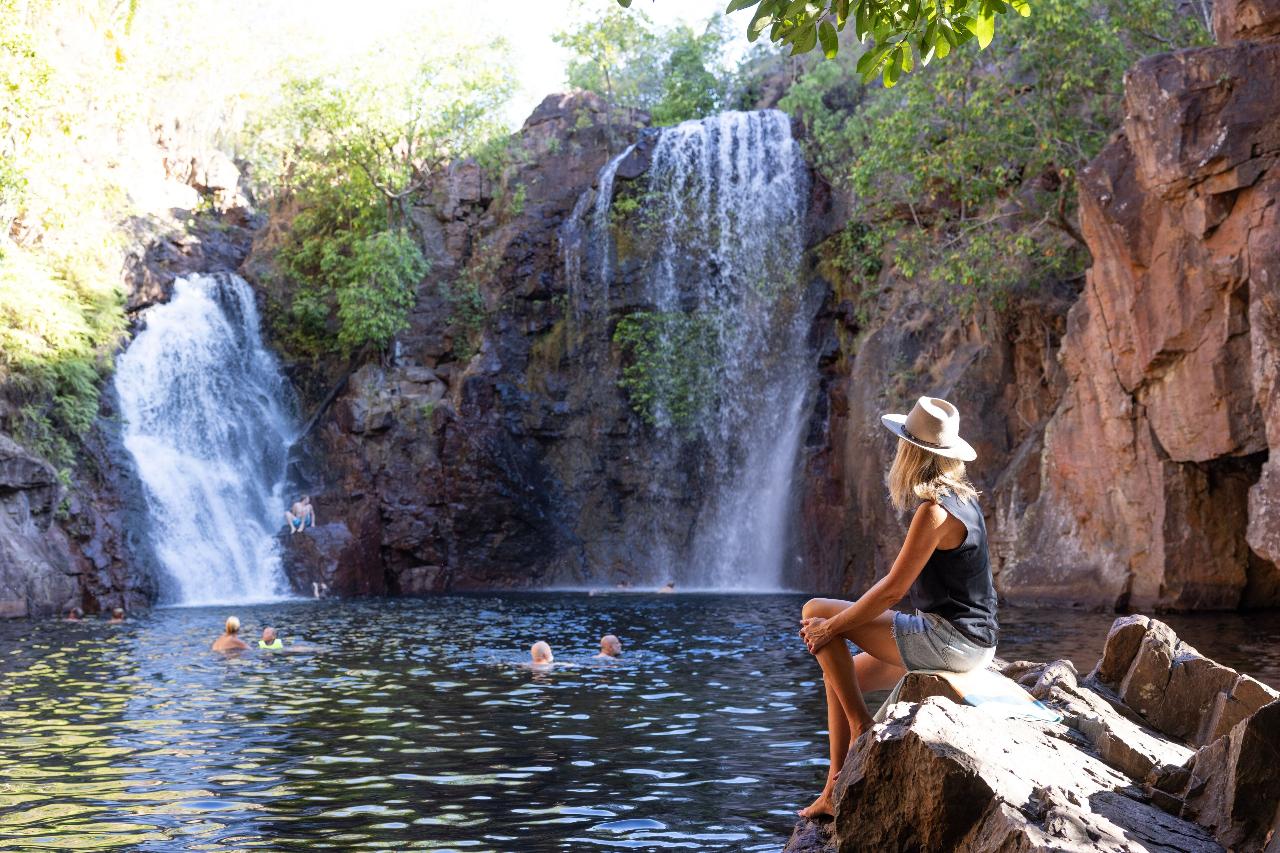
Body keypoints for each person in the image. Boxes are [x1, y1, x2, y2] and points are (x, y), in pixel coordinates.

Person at [796, 396, 997, 819]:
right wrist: (834, 630)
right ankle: (833, 787)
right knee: (841, 674)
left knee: (816, 612)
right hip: (972, 640)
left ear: (911, 452)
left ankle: (861, 730)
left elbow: (891, 591)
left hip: (951, 642)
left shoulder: (934, 512)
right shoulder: (963, 499)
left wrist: (832, 627)